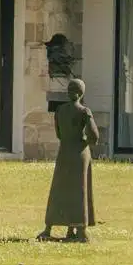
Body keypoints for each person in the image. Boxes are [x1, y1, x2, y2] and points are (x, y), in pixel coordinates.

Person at [42, 78, 100, 242]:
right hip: (79, 152)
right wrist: (83, 140)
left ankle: (50, 227)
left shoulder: (60, 111)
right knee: (79, 190)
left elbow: (59, 134)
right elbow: (94, 137)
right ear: (82, 93)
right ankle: (80, 228)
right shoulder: (84, 111)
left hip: (64, 152)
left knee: (59, 189)